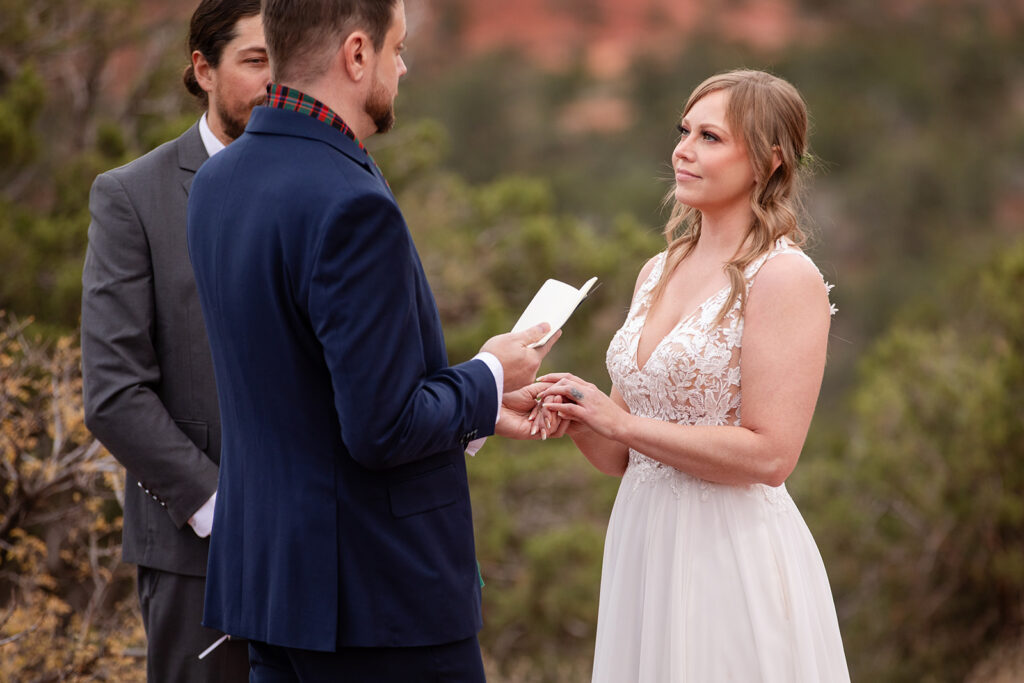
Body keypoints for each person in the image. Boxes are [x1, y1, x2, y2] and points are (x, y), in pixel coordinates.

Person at [185, 0, 557, 680]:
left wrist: (476, 414)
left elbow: (298, 386)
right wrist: (489, 373)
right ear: (356, 55)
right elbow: (382, 428)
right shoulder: (349, 201)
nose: (403, 66)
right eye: (397, 48)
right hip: (378, 600)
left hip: (270, 588)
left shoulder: (216, 181)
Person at [537, 70, 851, 681]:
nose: (682, 150)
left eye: (710, 137)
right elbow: (621, 455)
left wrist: (618, 420)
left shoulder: (785, 278)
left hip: (727, 552)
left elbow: (771, 455)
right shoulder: (659, 268)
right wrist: (579, 412)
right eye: (685, 131)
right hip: (643, 544)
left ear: (767, 160)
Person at [80, 1, 270, 680]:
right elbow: (113, 391)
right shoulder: (132, 196)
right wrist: (223, 509)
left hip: (325, 556)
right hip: (200, 557)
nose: (274, 82)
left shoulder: (342, 182)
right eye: (255, 60)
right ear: (203, 69)